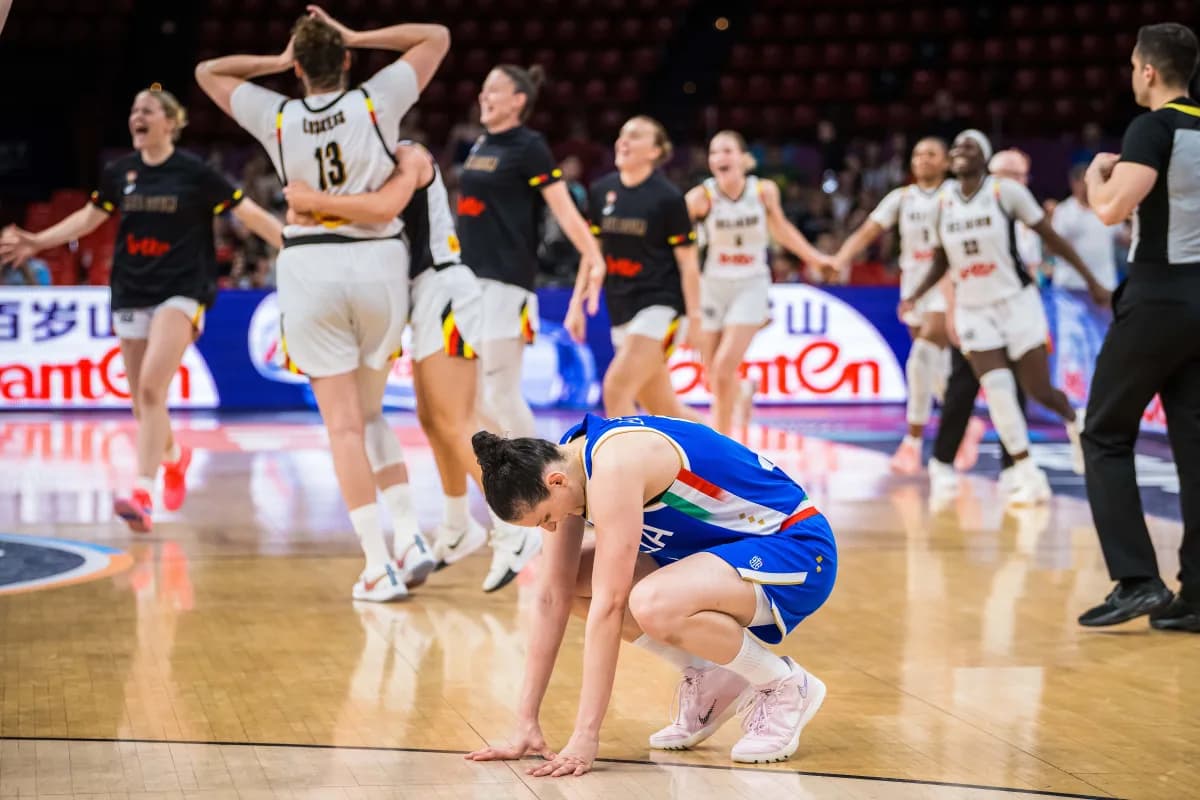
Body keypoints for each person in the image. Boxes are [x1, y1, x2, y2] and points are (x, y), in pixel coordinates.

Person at [194, 6, 449, 601]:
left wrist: (275, 61)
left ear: (299, 69)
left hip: (312, 262)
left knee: (341, 426)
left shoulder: (277, 114)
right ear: (348, 62)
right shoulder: (373, 101)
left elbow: (209, 71)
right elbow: (436, 35)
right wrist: (357, 34)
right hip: (380, 263)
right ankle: (411, 536)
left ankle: (376, 564)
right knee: (370, 413)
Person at [465, 414, 836, 774]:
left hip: (795, 549)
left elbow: (610, 605)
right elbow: (551, 595)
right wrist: (525, 722)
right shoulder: (569, 464)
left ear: (556, 481)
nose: (551, 528)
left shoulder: (615, 466)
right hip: (721, 556)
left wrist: (585, 737)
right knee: (575, 580)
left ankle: (782, 683)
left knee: (651, 602)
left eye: (546, 517)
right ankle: (710, 675)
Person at [0, 85, 282, 532]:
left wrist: (296, 246)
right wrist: (37, 241)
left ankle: (143, 492)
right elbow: (89, 218)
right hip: (131, 290)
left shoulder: (195, 174)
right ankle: (173, 456)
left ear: (170, 123)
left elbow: (248, 214)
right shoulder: (121, 173)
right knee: (141, 401)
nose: (137, 115)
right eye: (133, 110)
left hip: (183, 291)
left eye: (147, 109)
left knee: (153, 388)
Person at [283, 139, 491, 572]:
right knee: (425, 419)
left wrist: (310, 201)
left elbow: (379, 208)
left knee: (456, 419)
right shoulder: (363, 168)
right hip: (402, 290)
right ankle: (438, 530)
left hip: (441, 285)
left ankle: (518, 528)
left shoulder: (407, 155)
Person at [900, 130, 1111, 505]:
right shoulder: (943, 203)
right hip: (973, 309)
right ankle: (1028, 473)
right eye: (956, 147)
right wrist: (916, 295)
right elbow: (941, 261)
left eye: (970, 147)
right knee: (997, 393)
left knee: (1037, 390)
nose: (960, 151)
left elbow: (1052, 238)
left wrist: (1092, 280)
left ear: (983, 158)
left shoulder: (1003, 192)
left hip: (1016, 302)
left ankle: (1075, 421)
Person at [456, 63, 606, 591]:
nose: (484, 94)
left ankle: (542, 491)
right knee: (475, 397)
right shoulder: (478, 145)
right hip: (468, 286)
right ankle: (521, 508)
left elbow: (564, 210)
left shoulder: (529, 146)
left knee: (497, 389)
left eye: (494, 88)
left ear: (519, 100)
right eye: (484, 86)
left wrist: (593, 254)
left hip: (505, 282)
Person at [1076, 23, 1200, 631]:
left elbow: (1109, 210)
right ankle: (1197, 595)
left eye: (1132, 66)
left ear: (1149, 71)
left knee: (1102, 432)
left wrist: (1098, 174)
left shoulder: (1153, 127)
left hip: (1159, 295)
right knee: (1195, 447)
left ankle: (1136, 579)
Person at [686, 130, 832, 435]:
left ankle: (723, 446)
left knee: (725, 366)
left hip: (751, 283)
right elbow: (676, 242)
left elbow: (781, 230)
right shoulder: (701, 197)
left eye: (726, 151)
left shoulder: (763, 191)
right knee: (713, 374)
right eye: (714, 153)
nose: (719, 158)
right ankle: (743, 390)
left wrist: (814, 257)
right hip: (712, 285)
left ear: (742, 157)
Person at [565, 116, 702, 421]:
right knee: (664, 409)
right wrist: (576, 303)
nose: (623, 141)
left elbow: (688, 263)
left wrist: (695, 318)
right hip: (621, 305)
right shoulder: (602, 191)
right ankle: (725, 456)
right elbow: (592, 252)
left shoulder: (668, 198)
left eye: (636, 136)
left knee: (615, 388)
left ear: (655, 151)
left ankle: (625, 467)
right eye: (622, 134)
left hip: (661, 306)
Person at [833, 137, 956, 475]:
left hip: (947, 284)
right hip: (913, 284)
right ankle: (962, 419)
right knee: (936, 369)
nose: (923, 159)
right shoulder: (902, 198)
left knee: (920, 359)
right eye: (918, 154)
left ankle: (912, 442)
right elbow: (868, 231)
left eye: (931, 154)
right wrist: (839, 259)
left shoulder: (955, 195)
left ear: (946, 162)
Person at [1049, 164, 1123, 293]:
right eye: (1086, 182)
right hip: (1070, 287)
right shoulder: (1064, 211)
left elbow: (1123, 237)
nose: (1091, 186)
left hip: (1106, 285)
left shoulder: (1107, 208)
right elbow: (1054, 246)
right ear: (1074, 183)